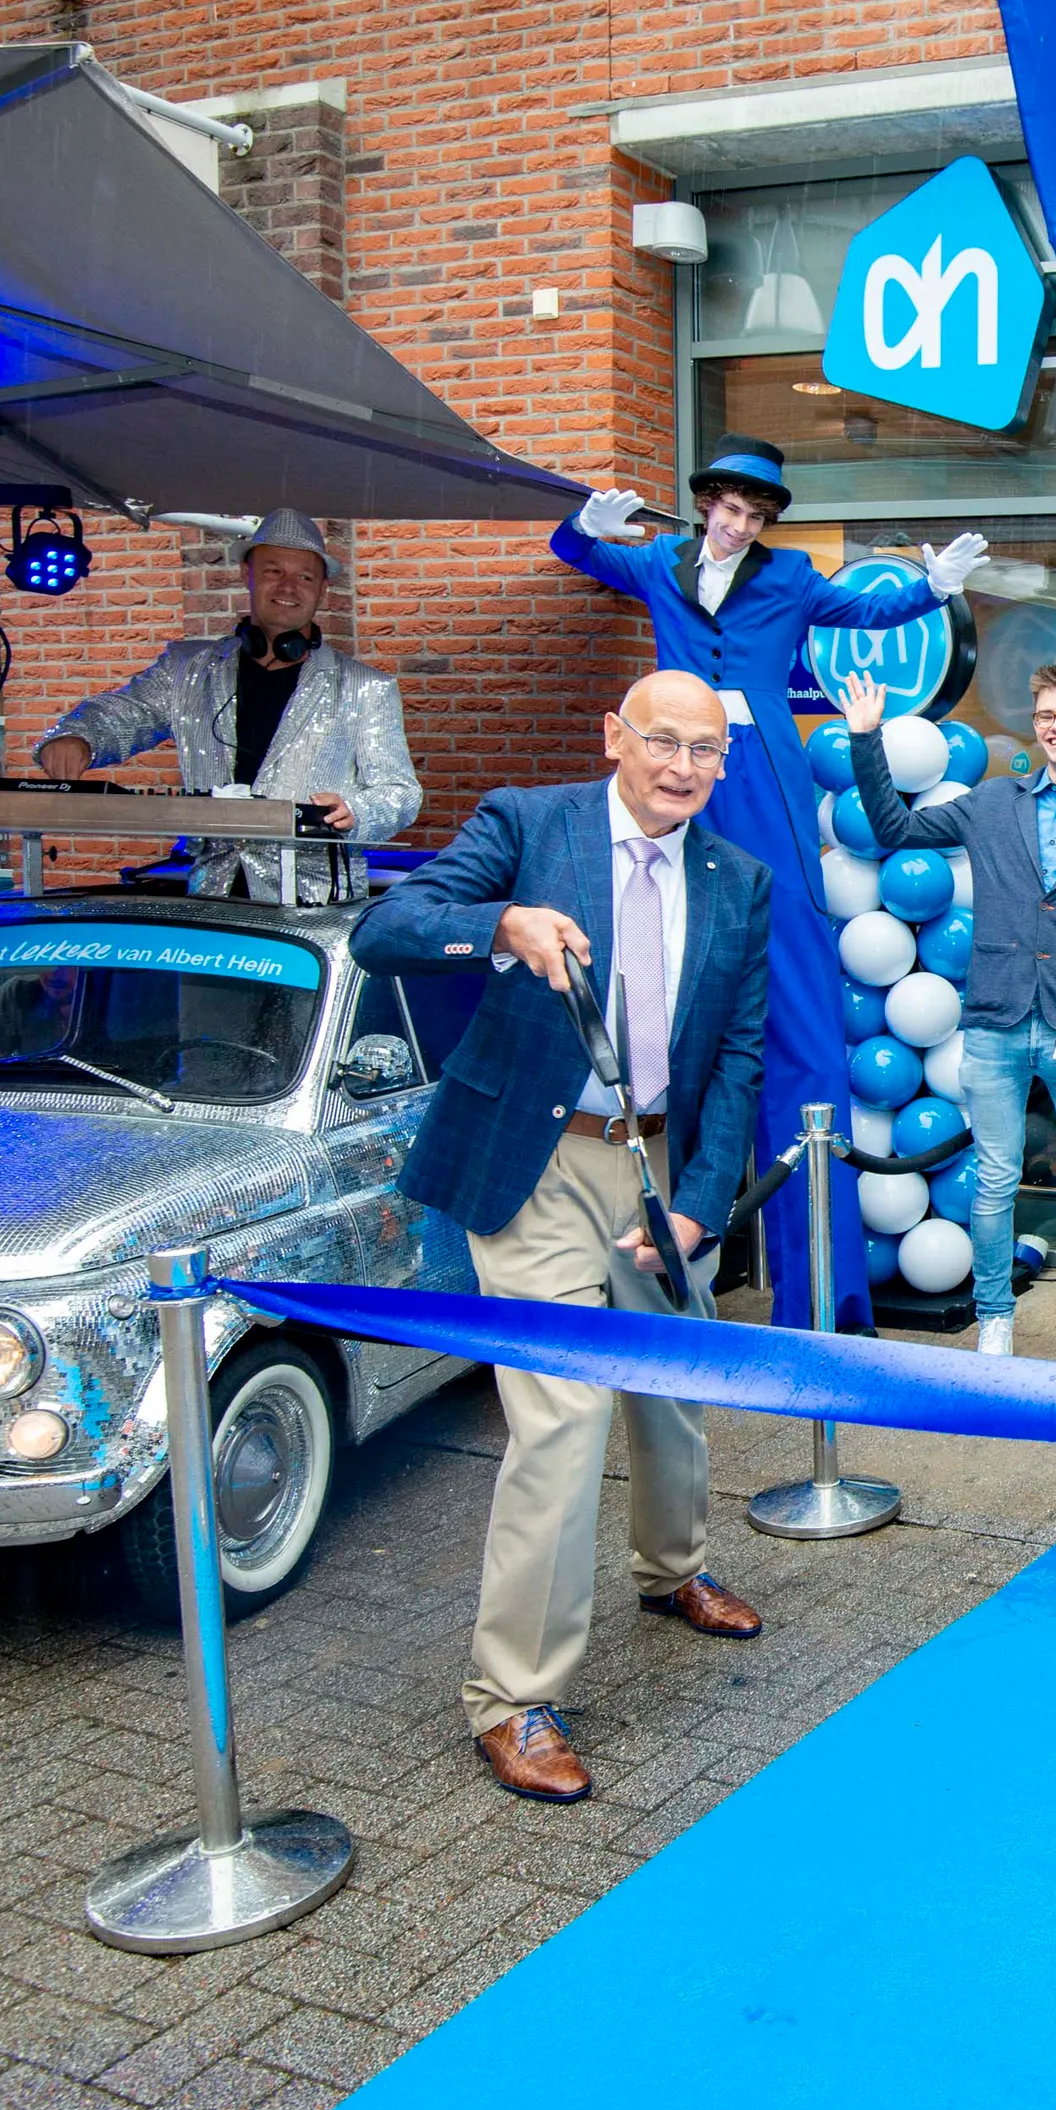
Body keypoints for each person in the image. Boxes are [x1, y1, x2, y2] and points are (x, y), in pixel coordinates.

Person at [351, 672, 771, 1803]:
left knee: (673, 1385)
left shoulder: (739, 880)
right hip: (534, 1164)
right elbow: (383, 931)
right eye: (664, 741)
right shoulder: (527, 825)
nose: (684, 766)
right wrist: (500, 922)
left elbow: (738, 1054)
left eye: (707, 750)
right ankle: (514, 1696)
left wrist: (702, 1199)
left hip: (660, 1165)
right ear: (614, 736)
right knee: (565, 1417)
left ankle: (672, 1568)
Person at [553, 440, 986, 1333]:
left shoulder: (789, 576)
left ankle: (819, 1297)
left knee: (788, 958)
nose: (739, 524)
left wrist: (936, 585)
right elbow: (577, 554)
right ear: (707, 503)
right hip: (679, 761)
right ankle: (664, 1284)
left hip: (760, 772)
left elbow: (870, 609)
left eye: (755, 515)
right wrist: (581, 525)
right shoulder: (658, 562)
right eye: (730, 508)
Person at [839, 660, 1056, 1369]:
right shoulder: (994, 801)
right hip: (996, 1019)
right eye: (1047, 716)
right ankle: (994, 1318)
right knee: (995, 1180)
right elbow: (892, 824)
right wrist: (866, 739)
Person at [36, 508, 419, 901]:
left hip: (315, 901)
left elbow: (400, 792)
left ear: (322, 589)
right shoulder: (186, 668)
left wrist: (354, 811)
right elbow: (124, 713)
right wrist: (77, 736)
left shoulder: (365, 686)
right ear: (246, 574)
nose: (288, 587)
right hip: (212, 895)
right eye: (273, 571)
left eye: (305, 577)